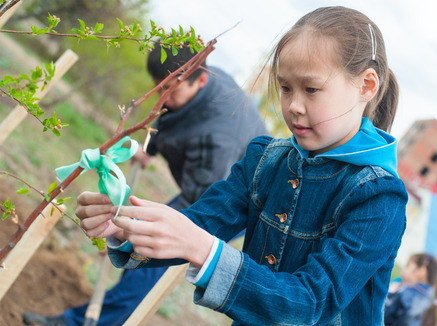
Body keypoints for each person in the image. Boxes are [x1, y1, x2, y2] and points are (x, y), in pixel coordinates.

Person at [74, 6, 408, 325]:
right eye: (286, 88)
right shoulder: (266, 159)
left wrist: (202, 248)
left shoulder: (378, 199)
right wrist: (125, 226)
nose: (293, 106)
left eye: (311, 89)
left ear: (366, 86)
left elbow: (311, 303)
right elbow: (202, 222)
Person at [23, 41, 268, 326]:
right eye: (159, 86)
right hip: (209, 182)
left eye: (170, 90)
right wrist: (148, 150)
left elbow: (198, 205)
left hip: (238, 202)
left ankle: (82, 323)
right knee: (141, 249)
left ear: (200, 80)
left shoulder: (214, 137)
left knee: (150, 259)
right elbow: (169, 112)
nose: (162, 97)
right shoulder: (196, 79)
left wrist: (132, 240)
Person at [384, 253, 437, 326]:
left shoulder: (409, 296)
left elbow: (388, 314)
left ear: (421, 271)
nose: (403, 270)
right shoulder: (425, 300)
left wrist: (389, 294)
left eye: (407, 266)